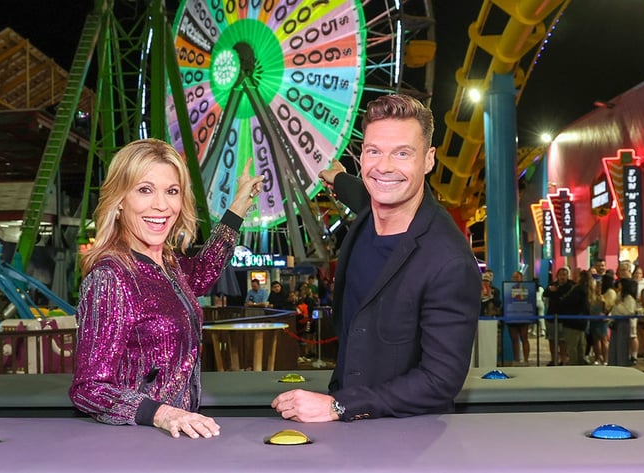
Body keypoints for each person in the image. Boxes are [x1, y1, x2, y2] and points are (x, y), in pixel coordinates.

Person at [271, 94, 480, 422]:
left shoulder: (448, 261)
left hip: (407, 441)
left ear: (428, 160)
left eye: (402, 153)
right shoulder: (370, 208)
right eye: (373, 151)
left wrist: (337, 406)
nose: (384, 167)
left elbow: (440, 380)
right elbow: (360, 190)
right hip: (347, 436)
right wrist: (337, 178)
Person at [69, 138, 263, 438]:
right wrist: (161, 413)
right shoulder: (112, 277)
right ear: (120, 200)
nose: (161, 205)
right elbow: (89, 388)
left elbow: (203, 272)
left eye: (171, 191)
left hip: (179, 437)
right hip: (139, 442)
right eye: (145, 190)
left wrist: (237, 208)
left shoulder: (166, 263)